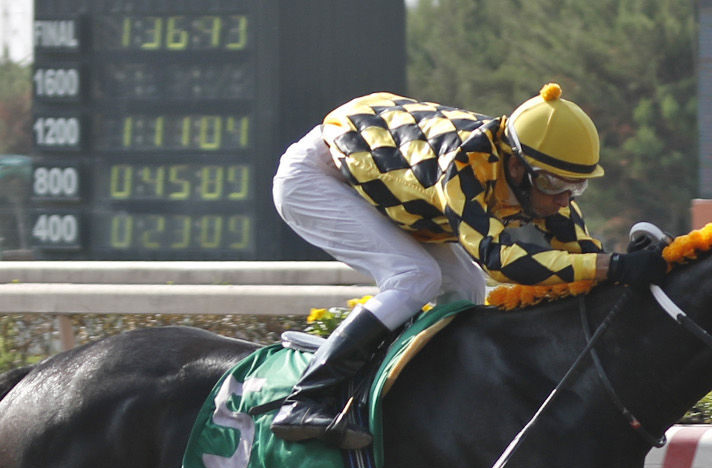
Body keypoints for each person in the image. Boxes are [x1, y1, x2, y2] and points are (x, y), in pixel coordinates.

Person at [269, 82, 669, 448]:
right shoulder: (464, 165)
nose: (563, 199)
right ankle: (307, 399)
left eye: (576, 186)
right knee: (416, 276)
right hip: (316, 177)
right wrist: (612, 267)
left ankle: (429, 395)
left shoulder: (534, 170)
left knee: (466, 290)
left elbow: (584, 256)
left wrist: (627, 265)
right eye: (553, 185)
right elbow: (501, 261)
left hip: (382, 179)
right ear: (517, 165)